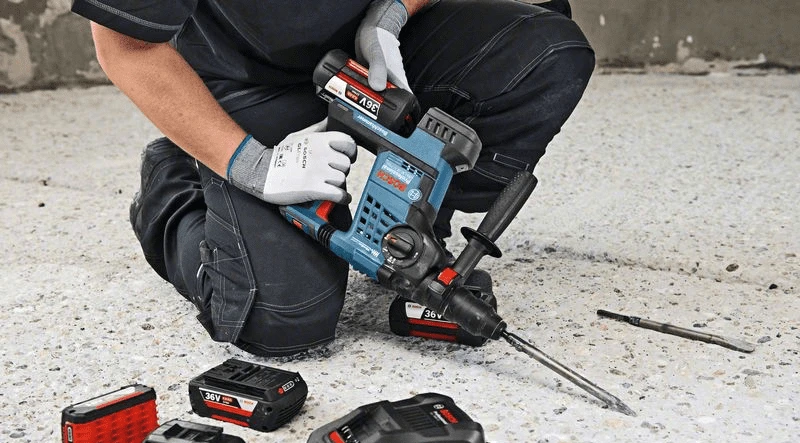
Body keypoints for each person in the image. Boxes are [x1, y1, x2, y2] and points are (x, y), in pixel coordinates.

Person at [71, 0, 595, 357]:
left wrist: (390, 15)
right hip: (242, 82)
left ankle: (411, 233)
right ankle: (178, 174)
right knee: (284, 314)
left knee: (548, 54)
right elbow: (125, 48)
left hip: (373, 51)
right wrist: (251, 165)